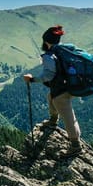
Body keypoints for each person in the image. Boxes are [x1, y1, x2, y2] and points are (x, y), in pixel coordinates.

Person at [23, 25, 83, 158]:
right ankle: (53, 120)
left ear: (46, 41)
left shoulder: (49, 56)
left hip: (61, 90)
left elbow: (48, 76)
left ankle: (75, 145)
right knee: (51, 97)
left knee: (68, 117)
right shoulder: (65, 50)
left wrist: (32, 79)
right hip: (71, 85)